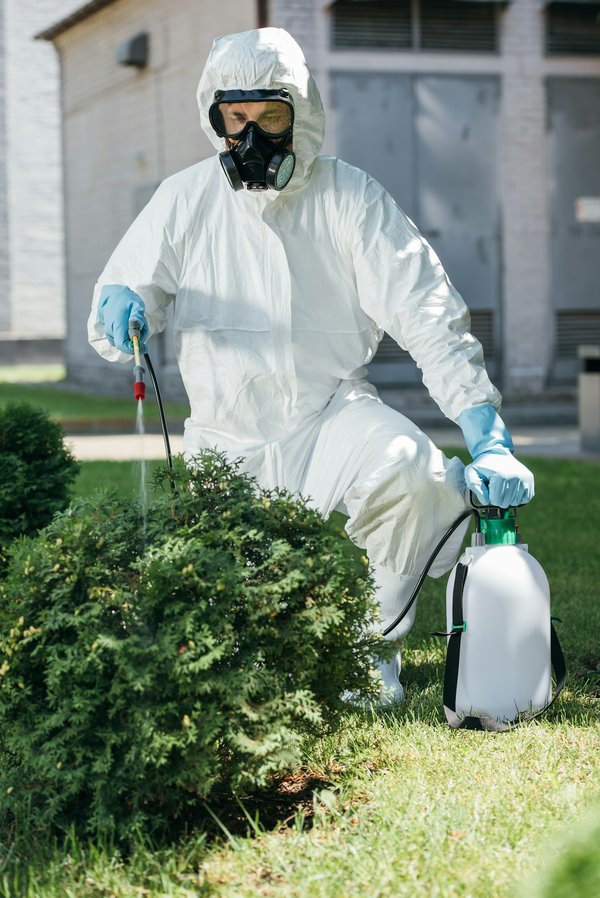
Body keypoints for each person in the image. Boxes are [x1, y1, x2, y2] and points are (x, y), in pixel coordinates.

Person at [88, 27, 534, 703]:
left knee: (413, 479)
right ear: (214, 117)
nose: (254, 137)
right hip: (226, 438)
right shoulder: (185, 200)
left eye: (272, 117)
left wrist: (488, 438)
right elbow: (128, 310)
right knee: (230, 652)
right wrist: (121, 310)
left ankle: (364, 655)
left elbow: (428, 312)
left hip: (329, 413)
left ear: (302, 115)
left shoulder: (351, 198)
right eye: (236, 118)